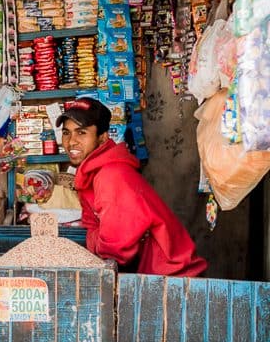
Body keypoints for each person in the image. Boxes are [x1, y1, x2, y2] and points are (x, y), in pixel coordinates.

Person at [56, 96, 206, 276]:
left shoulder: (112, 175)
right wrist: (99, 237)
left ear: (103, 138)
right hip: (150, 274)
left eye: (81, 133)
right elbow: (91, 226)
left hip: (174, 277)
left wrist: (100, 238)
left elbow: (115, 246)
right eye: (66, 133)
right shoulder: (89, 176)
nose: (71, 141)